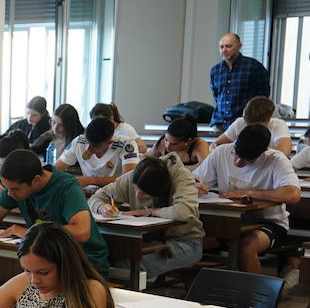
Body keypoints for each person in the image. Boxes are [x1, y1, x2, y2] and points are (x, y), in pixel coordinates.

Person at [0, 149, 110, 274]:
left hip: (84, 261)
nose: (9, 194)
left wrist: (30, 233)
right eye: (6, 187)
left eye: (15, 189)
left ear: (36, 180)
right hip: (46, 259)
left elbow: (82, 231)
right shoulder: (16, 187)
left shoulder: (66, 187)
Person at [192, 124, 300, 273]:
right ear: (237, 139)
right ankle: (199, 289)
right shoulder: (221, 152)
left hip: (269, 223)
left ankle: (251, 294)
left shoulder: (276, 160)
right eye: (236, 154)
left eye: (248, 160)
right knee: (191, 240)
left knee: (247, 246)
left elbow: (293, 194)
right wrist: (196, 185)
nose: (238, 162)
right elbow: (195, 180)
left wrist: (249, 192)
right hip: (229, 220)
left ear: (264, 151)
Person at [89, 155, 205, 280]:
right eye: (135, 189)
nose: (137, 195)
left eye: (143, 193)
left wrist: (152, 211)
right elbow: (95, 198)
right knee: (101, 258)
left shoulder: (182, 177)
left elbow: (183, 212)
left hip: (185, 243)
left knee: (127, 265)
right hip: (146, 241)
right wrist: (102, 207)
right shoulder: (136, 176)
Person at [210, 32, 271, 132]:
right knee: (216, 147)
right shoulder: (215, 70)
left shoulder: (254, 67)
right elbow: (217, 96)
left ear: (239, 46)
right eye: (221, 47)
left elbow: (263, 97)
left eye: (228, 46)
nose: (224, 50)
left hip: (245, 123)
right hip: (220, 123)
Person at [54, 117, 138, 188]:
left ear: (109, 143)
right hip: (87, 192)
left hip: (115, 193)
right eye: (87, 142)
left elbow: (128, 178)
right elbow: (55, 169)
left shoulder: (126, 144)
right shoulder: (79, 141)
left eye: (94, 146)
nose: (88, 149)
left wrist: (91, 180)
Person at [214, 96, 295, 158]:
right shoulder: (240, 122)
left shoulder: (278, 125)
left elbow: (284, 153)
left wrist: (250, 155)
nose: (252, 129)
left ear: (268, 120)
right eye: (248, 124)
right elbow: (216, 145)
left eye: (257, 125)